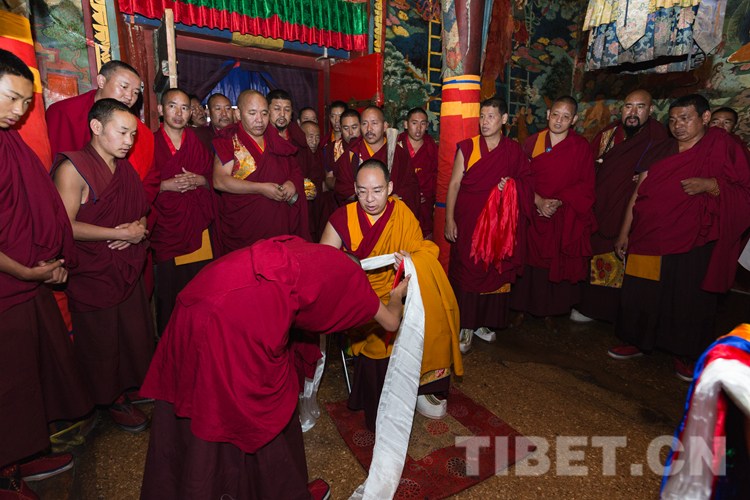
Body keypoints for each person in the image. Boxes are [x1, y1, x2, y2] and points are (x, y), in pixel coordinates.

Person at [139, 236, 410, 500]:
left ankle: (186, 485)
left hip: (198, 295)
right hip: (235, 322)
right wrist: (397, 295)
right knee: (262, 410)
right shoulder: (353, 279)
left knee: (196, 394)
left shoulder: (304, 249)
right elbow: (390, 322)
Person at [0, 48, 93, 500]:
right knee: (7, 381)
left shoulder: (8, 141)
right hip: (9, 281)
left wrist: (49, 262)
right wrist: (26, 270)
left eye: (25, 102)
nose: (20, 111)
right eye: (11, 98)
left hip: (28, 276)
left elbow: (33, 205)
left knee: (30, 374)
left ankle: (19, 452)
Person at [609, 94, 750, 382]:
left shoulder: (723, 148)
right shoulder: (659, 148)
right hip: (648, 234)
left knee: (686, 296)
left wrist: (711, 185)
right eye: (672, 120)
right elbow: (638, 192)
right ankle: (636, 340)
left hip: (694, 238)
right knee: (642, 291)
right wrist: (625, 232)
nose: (678, 125)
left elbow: (744, 192)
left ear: (705, 117)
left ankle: (683, 352)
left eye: (685, 118)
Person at [321, 159, 462, 426]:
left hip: (401, 288)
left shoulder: (401, 213)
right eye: (362, 191)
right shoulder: (342, 218)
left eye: (377, 190)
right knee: (380, 338)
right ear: (355, 189)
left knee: (435, 313)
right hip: (361, 298)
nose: (369, 199)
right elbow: (324, 267)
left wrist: (411, 262)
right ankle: (384, 404)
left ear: (390, 187)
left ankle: (424, 387)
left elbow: (423, 250)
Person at [51, 98, 155, 433]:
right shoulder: (73, 168)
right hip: (94, 272)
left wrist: (137, 229)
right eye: (122, 132)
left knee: (132, 331)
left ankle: (130, 384)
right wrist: (118, 233)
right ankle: (111, 398)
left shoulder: (124, 168)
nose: (129, 141)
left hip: (126, 264)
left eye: (133, 135)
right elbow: (66, 226)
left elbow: (141, 208)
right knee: (101, 340)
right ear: (96, 127)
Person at [444, 97, 534, 353]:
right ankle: (465, 324)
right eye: (482, 116)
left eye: (491, 116)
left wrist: (512, 185)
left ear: (504, 119)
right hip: (469, 221)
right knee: (468, 270)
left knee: (494, 271)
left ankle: (482, 322)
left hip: (499, 225)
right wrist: (449, 219)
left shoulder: (513, 150)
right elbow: (454, 184)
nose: (485, 122)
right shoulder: (468, 147)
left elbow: (528, 182)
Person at [572, 90, 668, 324]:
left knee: (626, 257)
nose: (633, 112)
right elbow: (588, 164)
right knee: (597, 251)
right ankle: (591, 306)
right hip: (602, 203)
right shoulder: (609, 133)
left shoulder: (659, 135)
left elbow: (665, 170)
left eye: (640, 107)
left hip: (634, 207)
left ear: (651, 110)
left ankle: (619, 311)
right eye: (628, 106)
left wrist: (646, 177)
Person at [510, 95, 596, 333]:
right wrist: (538, 201)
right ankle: (522, 309)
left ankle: (549, 311)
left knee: (554, 262)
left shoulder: (580, 147)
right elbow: (520, 179)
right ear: (548, 114)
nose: (559, 120)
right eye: (555, 114)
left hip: (562, 214)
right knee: (527, 262)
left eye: (566, 116)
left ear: (574, 119)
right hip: (532, 211)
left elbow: (586, 184)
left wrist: (559, 201)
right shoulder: (532, 143)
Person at [150, 89, 216, 335]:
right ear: (161, 109)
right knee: (169, 289)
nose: (179, 113)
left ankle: (200, 335)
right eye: (172, 106)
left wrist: (201, 180)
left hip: (198, 225)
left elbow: (214, 179)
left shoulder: (197, 142)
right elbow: (137, 184)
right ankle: (170, 339)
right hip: (166, 227)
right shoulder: (149, 143)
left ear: (190, 113)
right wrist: (163, 186)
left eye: (185, 108)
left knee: (199, 284)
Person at [212, 90, 309, 255]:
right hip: (244, 226)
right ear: (238, 114)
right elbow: (219, 181)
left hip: (278, 224)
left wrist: (291, 182)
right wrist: (260, 188)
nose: (259, 119)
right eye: (252, 113)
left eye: (264, 113)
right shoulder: (229, 141)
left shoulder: (275, 140)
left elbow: (295, 170)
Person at [45, 60, 154, 182]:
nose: (129, 97)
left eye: (135, 92)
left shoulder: (142, 132)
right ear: (101, 81)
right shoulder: (65, 112)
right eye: (124, 87)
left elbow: (150, 179)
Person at [335, 106, 420, 216]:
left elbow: (412, 185)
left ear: (385, 126)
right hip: (360, 215)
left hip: (392, 213)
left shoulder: (398, 153)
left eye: (374, 123)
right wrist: (366, 197)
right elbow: (341, 190)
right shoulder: (351, 154)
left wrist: (394, 197)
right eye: (364, 124)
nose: (369, 129)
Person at [398, 107, 438, 239]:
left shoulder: (432, 149)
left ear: (427, 126)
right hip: (401, 204)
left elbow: (437, 178)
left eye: (423, 123)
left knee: (424, 242)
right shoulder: (395, 147)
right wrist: (412, 197)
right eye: (414, 123)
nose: (418, 128)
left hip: (425, 205)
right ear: (406, 124)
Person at [297, 121, 326, 242]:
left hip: (316, 210)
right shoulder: (295, 154)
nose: (314, 141)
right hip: (298, 211)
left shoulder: (321, 154)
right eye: (310, 136)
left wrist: (317, 189)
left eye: (317, 137)